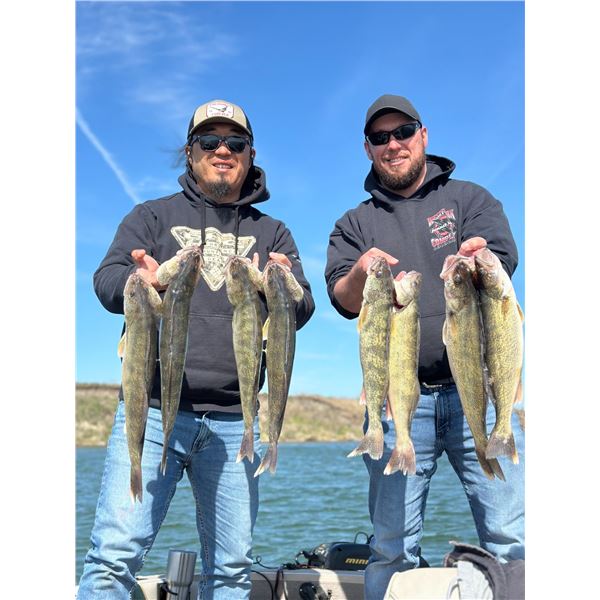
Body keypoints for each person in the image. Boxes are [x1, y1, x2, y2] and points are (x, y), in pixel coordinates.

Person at [77, 99, 315, 599]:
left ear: (250, 155)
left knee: (231, 569)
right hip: (151, 410)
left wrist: (285, 284)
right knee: (112, 559)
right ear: (190, 152)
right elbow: (105, 281)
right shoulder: (151, 216)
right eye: (210, 141)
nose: (223, 150)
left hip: (235, 421)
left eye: (236, 142)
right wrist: (137, 281)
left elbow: (303, 308)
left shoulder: (272, 232)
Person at [324, 94, 524, 600]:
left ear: (424, 135)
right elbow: (343, 299)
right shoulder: (354, 224)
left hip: (479, 390)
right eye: (380, 137)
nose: (393, 144)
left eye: (403, 132)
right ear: (367, 149)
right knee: (391, 547)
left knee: (509, 537)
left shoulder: (469, 199)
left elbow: (502, 261)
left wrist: (477, 257)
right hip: (399, 401)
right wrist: (362, 272)